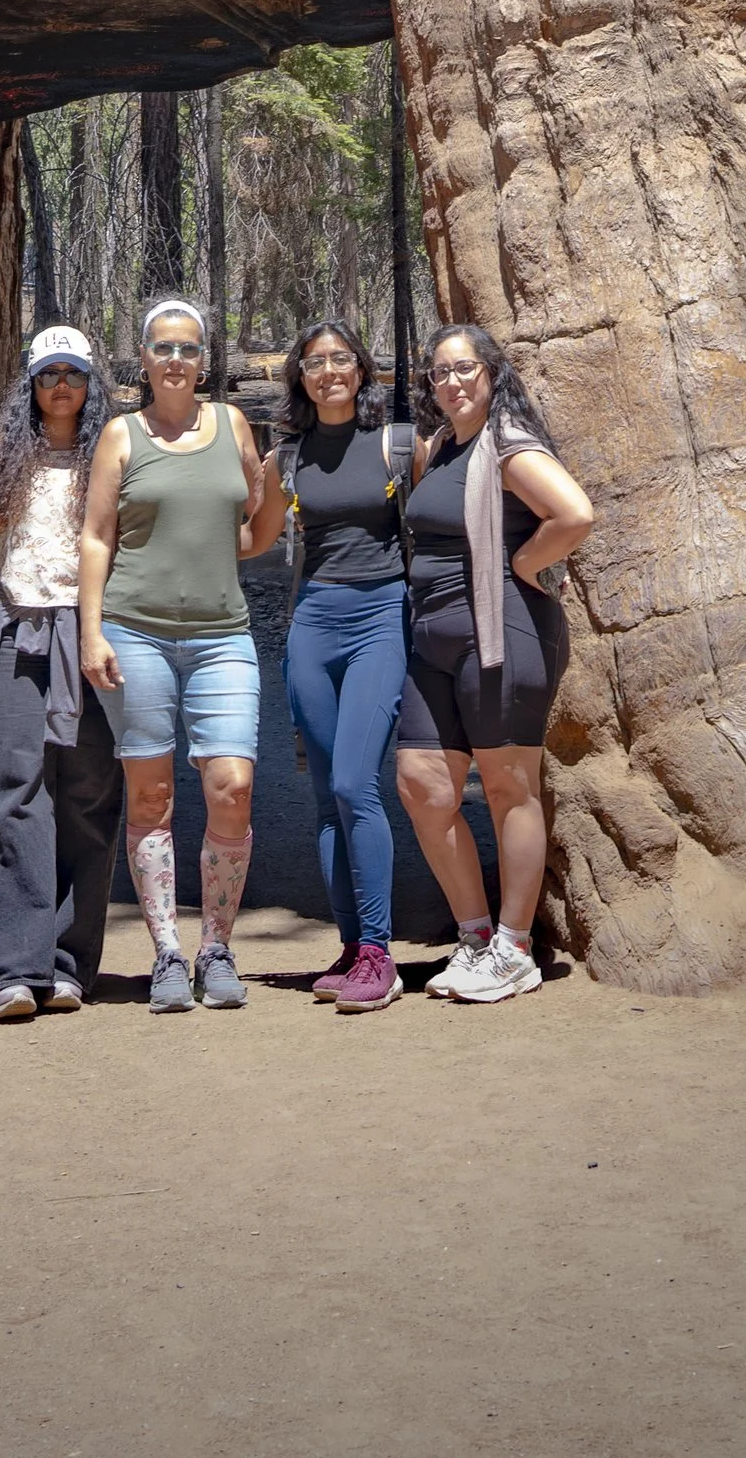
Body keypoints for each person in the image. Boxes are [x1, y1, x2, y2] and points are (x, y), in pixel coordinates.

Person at [79, 293, 283, 1013]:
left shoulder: (231, 424)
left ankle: (217, 947)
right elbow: (98, 536)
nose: (175, 359)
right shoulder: (120, 436)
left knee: (231, 784)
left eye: (188, 348)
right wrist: (91, 629)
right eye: (162, 347)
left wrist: (278, 500)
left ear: (204, 359)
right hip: (135, 631)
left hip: (223, 633)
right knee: (152, 793)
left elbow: (254, 526)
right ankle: (168, 953)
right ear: (143, 358)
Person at [394, 322, 593, 1007]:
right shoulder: (444, 445)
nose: (451, 381)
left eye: (464, 368)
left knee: (511, 788)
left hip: (504, 632)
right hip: (434, 642)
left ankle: (514, 948)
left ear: (492, 372)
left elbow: (573, 513)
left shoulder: (508, 443)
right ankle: (476, 937)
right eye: (439, 371)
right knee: (422, 783)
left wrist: (524, 563)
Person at [0, 325, 123, 1020]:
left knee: (86, 789)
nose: (62, 386)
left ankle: (70, 961)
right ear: (31, 385)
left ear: (89, 383)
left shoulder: (110, 452)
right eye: (48, 374)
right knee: (9, 787)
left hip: (89, 631)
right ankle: (11, 968)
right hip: (16, 622)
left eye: (73, 373)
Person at [278, 322, 416, 1014]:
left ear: (362, 371)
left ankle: (380, 953)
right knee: (325, 800)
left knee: (355, 781)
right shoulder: (288, 455)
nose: (329, 370)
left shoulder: (397, 443)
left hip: (380, 617)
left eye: (341, 359)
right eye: (315, 361)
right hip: (312, 624)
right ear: (301, 376)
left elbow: (448, 512)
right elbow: (250, 531)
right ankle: (352, 942)